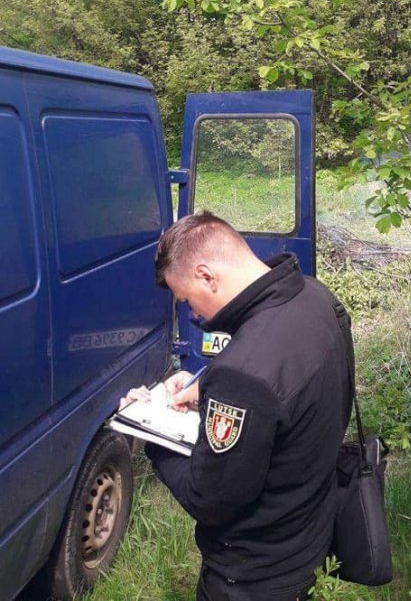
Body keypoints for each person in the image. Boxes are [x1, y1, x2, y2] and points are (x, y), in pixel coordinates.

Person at [122, 212, 352, 601]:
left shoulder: (243, 375)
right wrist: (207, 389)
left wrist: (148, 433)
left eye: (188, 300)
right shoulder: (317, 298)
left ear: (207, 276)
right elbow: (286, 389)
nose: (193, 315)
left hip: (252, 575)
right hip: (309, 533)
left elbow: (211, 500)